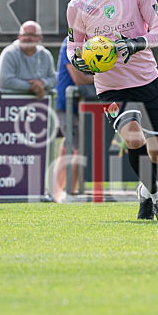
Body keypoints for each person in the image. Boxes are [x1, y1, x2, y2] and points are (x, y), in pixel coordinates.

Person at [66, 0, 158, 221]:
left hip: (147, 78)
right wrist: (77, 59)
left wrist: (136, 43)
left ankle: (144, 193)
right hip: (112, 87)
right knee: (134, 138)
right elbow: (73, 46)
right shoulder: (78, 5)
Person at [53, 36, 95, 201]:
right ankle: (63, 194)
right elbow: (79, 78)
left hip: (84, 106)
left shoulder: (97, 41)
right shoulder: (71, 43)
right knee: (74, 149)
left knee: (72, 148)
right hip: (67, 104)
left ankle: (65, 193)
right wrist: (105, 77)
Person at [0, 20, 57, 99]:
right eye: (24, 35)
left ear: (40, 38)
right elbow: (3, 81)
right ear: (19, 37)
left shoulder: (45, 54)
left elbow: (53, 79)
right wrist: (32, 87)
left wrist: (42, 83)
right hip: (8, 105)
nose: (27, 38)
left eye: (32, 35)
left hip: (37, 105)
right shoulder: (9, 53)